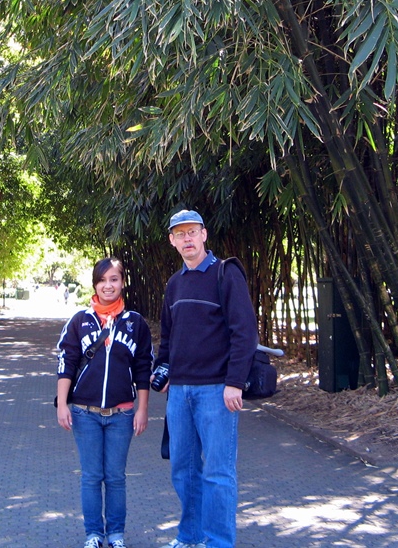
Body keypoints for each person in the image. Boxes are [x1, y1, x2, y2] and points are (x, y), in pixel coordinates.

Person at [153, 209, 258, 548]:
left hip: (216, 390)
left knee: (217, 474)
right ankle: (189, 536)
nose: (186, 239)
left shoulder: (225, 275)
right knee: (183, 472)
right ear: (172, 241)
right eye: (179, 233)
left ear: (204, 235)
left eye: (192, 232)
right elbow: (168, 339)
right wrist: (162, 368)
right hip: (180, 393)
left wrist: (235, 382)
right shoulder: (173, 284)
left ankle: (218, 543)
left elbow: (245, 333)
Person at [56, 257, 153, 548]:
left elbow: (143, 369)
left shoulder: (135, 323)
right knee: (90, 476)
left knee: (115, 477)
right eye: (103, 280)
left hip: (121, 414)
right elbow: (67, 363)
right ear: (95, 284)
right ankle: (94, 535)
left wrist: (143, 409)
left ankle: (117, 535)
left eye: (114, 279)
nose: (108, 285)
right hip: (84, 413)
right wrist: (62, 404)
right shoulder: (79, 321)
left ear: (123, 282)